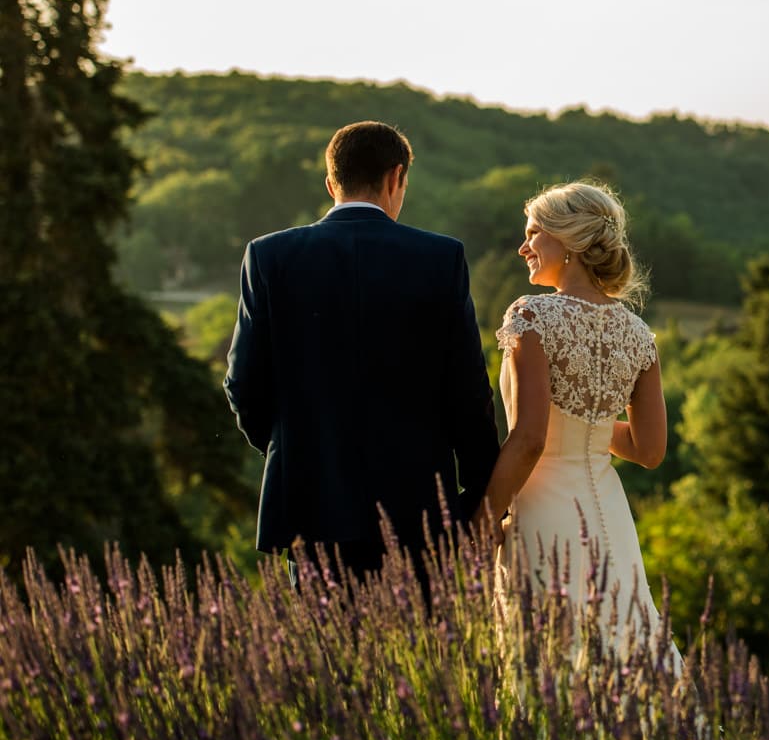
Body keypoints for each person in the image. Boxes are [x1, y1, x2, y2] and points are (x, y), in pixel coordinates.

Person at [223, 121, 500, 587]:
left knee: (329, 657)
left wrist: (294, 450)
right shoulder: (441, 259)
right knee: (415, 656)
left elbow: (243, 385)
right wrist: (475, 502)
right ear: (397, 177)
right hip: (419, 513)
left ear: (331, 184)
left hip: (311, 507)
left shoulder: (268, 256)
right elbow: (469, 395)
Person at [476, 180, 678, 662]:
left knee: (549, 661)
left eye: (533, 233)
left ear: (567, 241)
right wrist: (585, 428)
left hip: (547, 517)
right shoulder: (638, 333)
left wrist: (483, 518)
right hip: (609, 516)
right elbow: (649, 452)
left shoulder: (532, 316)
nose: (522, 246)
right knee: (623, 648)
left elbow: (529, 440)